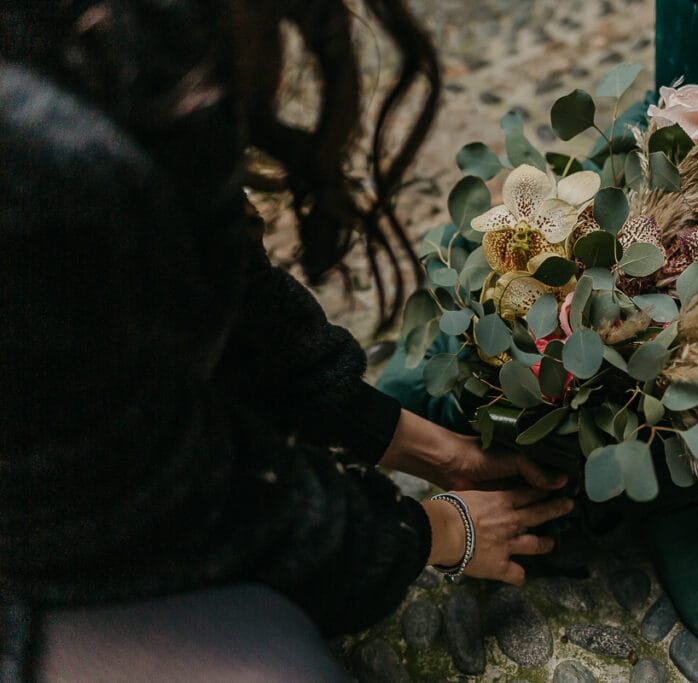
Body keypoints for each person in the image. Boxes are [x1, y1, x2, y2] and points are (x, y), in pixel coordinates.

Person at [0, 1, 573, 680]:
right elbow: (169, 499)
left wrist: (424, 445)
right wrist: (433, 531)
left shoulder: (137, 51)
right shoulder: (40, 165)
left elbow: (225, 287)